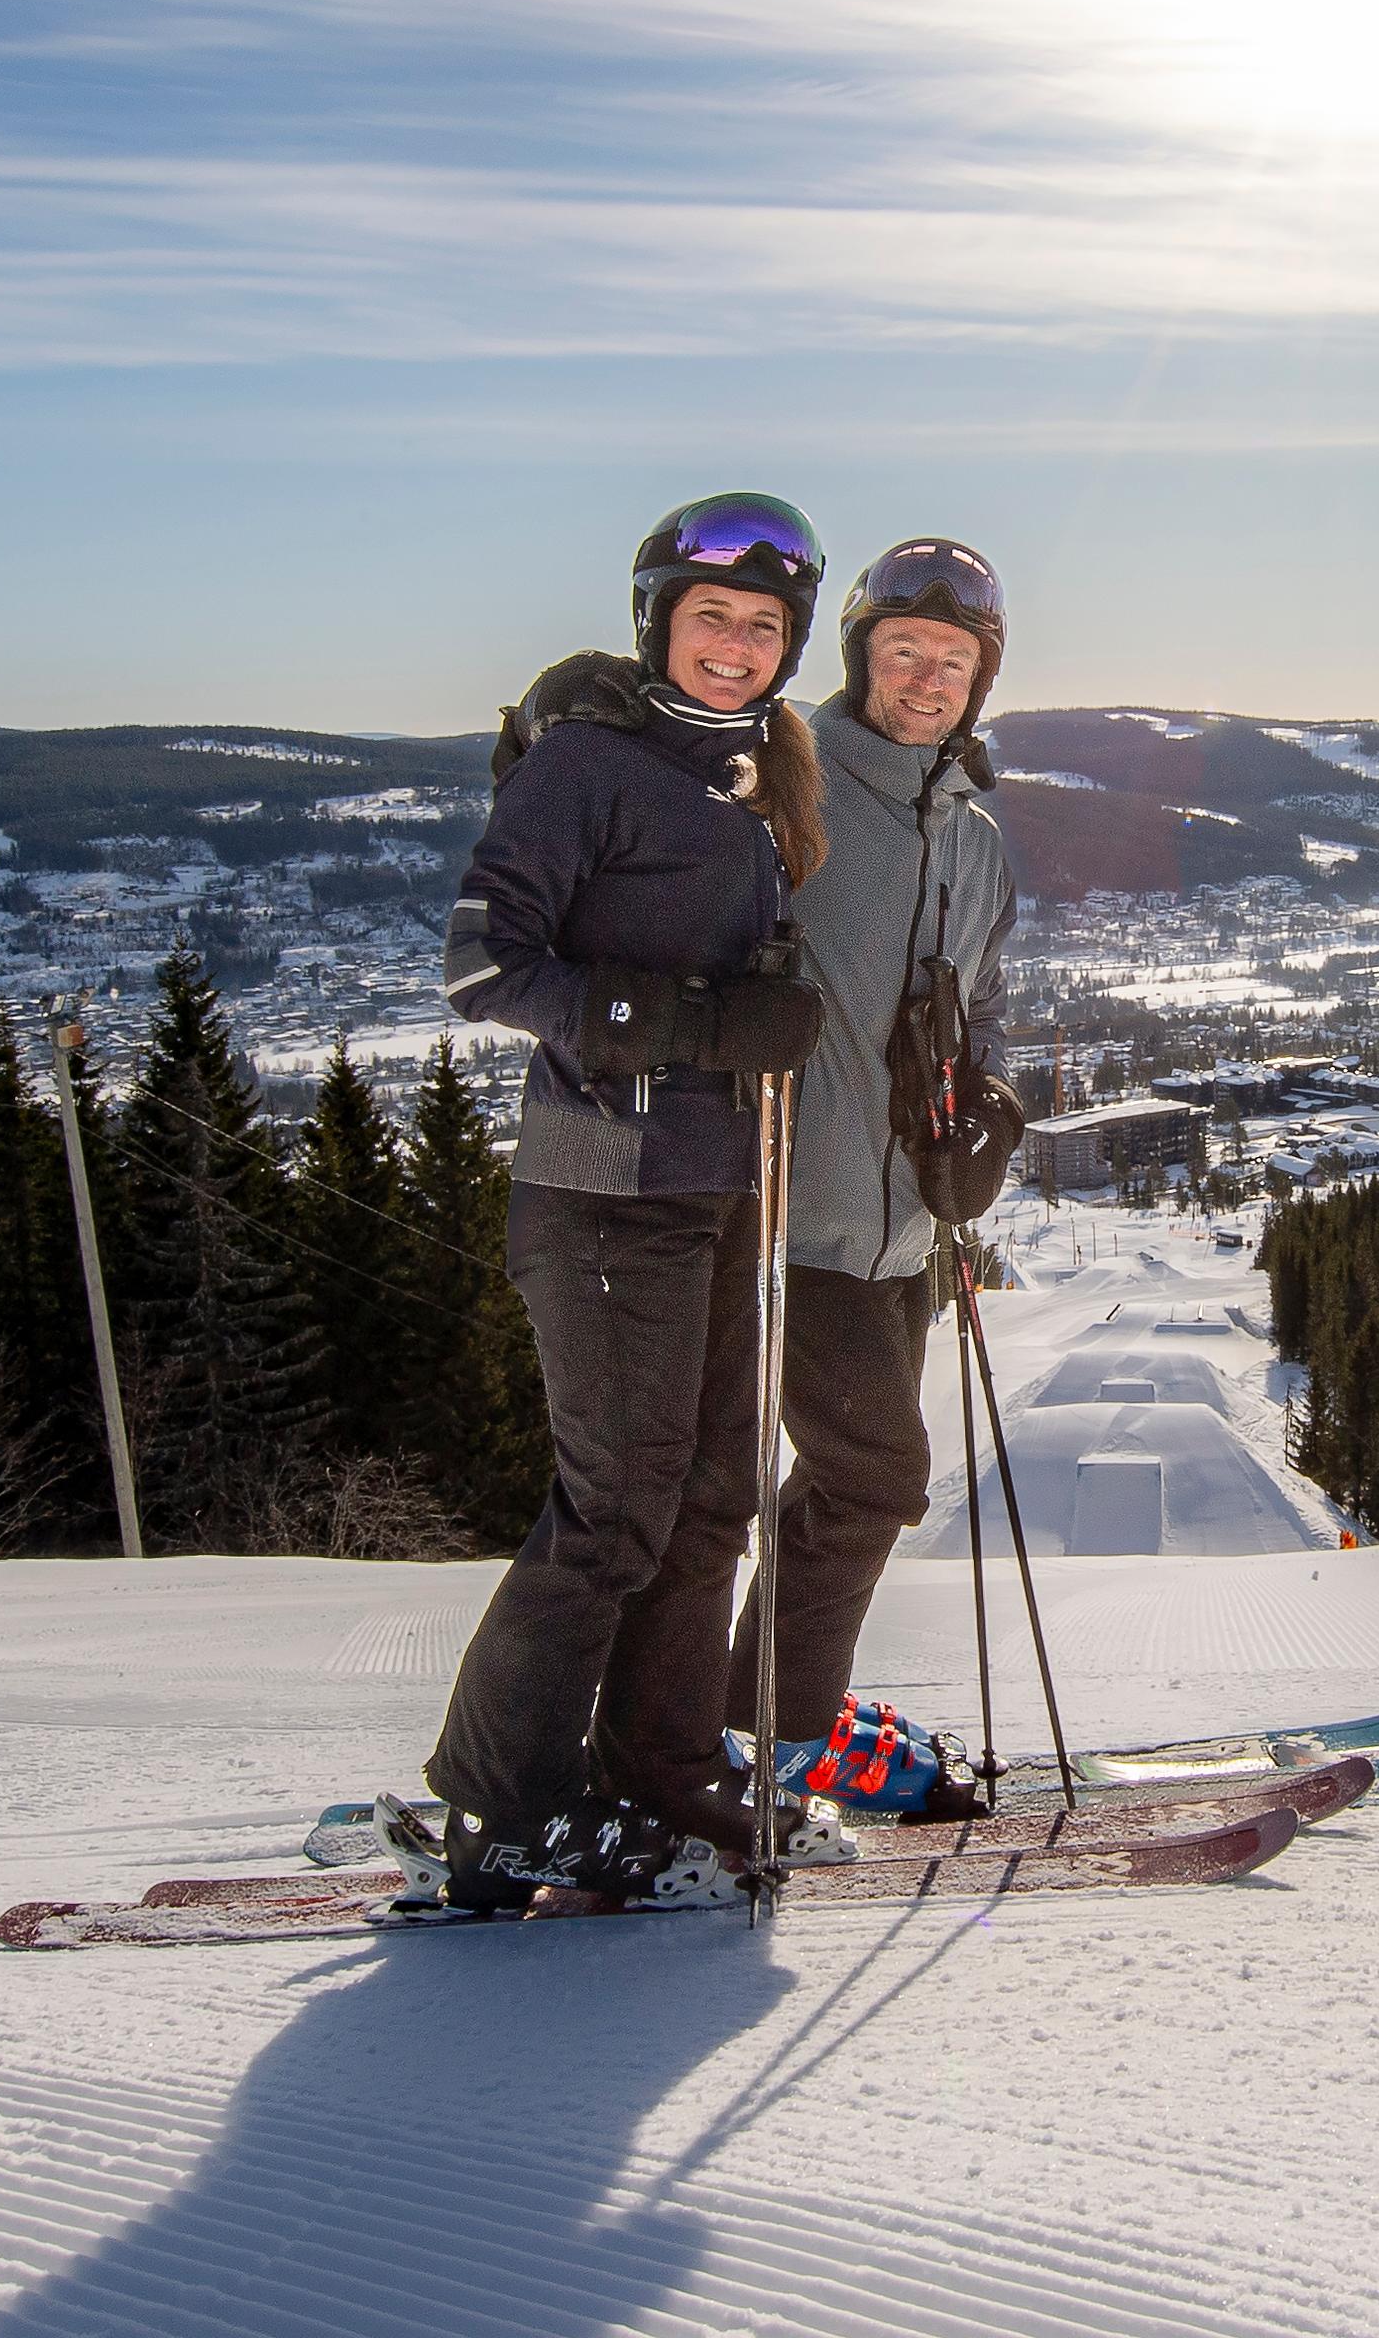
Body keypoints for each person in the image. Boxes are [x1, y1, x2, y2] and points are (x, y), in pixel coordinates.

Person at [420, 492, 831, 1905]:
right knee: (614, 1512)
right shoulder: (589, 762)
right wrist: (701, 1024)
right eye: (711, 617)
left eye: (764, 627)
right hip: (601, 1193)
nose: (735, 646)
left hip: (717, 1190)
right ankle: (504, 1802)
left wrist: (756, 1006)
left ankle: (659, 1761)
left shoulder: (746, 775)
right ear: (659, 618)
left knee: (716, 1493)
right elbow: (484, 968)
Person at [717, 537, 1020, 1812]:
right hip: (792, 1219)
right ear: (859, 658)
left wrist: (987, 1116)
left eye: (955, 660)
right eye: (904, 651)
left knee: (843, 1482)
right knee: (874, 1477)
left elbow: (969, 1016)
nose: (928, 677)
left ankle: (763, 1716)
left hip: (907, 1236)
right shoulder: (783, 787)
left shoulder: (978, 836)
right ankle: (772, 1737)